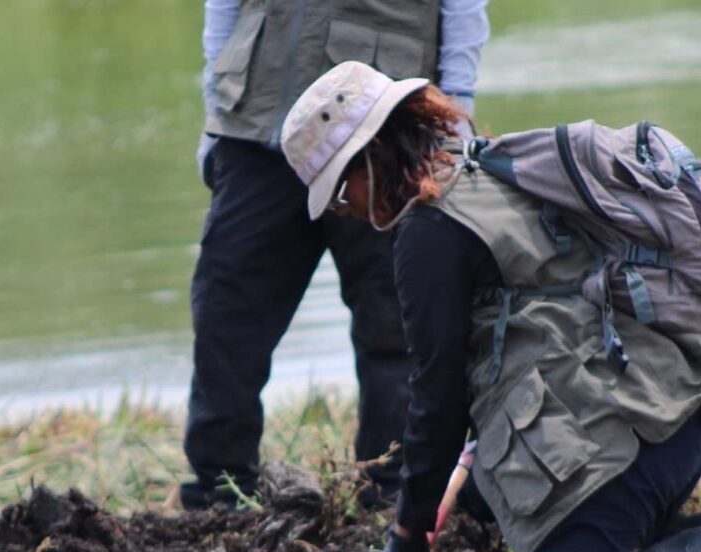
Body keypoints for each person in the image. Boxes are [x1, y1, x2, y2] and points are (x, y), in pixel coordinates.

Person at [279, 61, 701, 552]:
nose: (344, 213)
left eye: (341, 194)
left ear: (370, 157)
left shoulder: (430, 234)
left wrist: (407, 534)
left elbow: (436, 402)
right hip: (676, 414)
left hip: (627, 443)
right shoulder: (487, 171)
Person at [183, 0, 491, 509]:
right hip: (254, 129)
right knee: (224, 319)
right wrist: (216, 116)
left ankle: (392, 492)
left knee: (397, 326)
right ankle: (220, 494)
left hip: (382, 137)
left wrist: (455, 120)